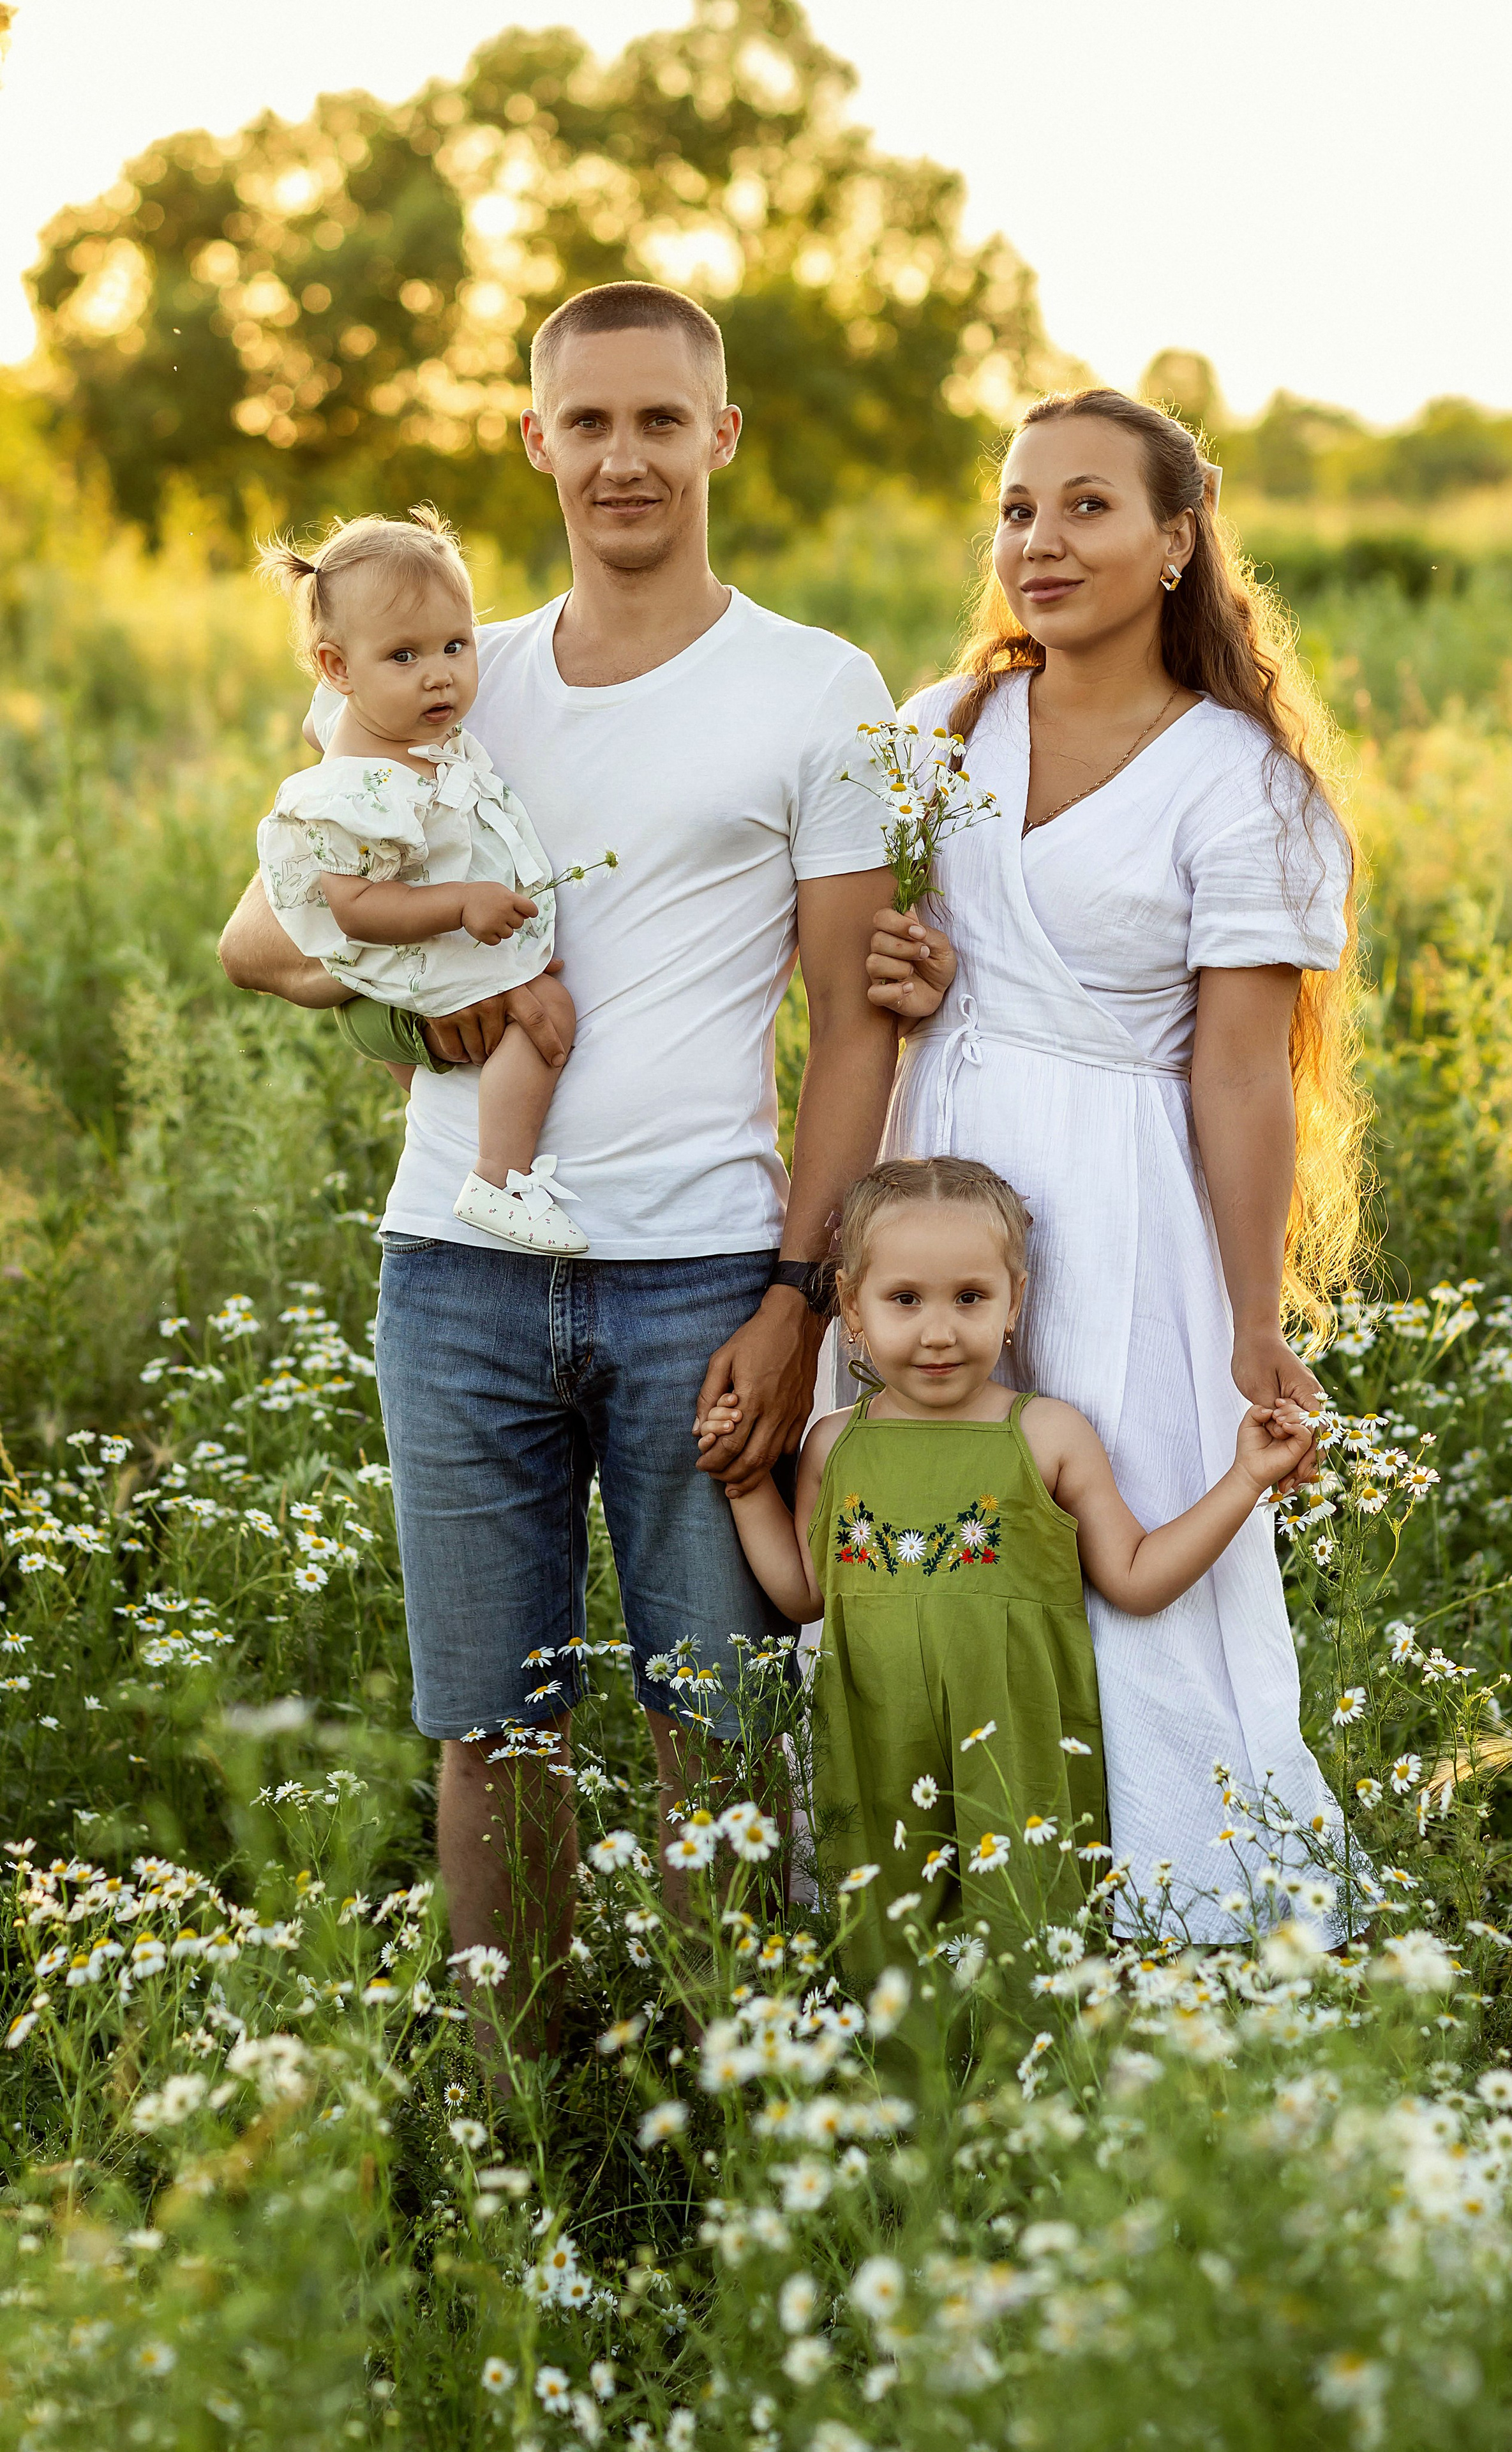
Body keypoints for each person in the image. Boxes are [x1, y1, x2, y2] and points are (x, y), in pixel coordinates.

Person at [218, 282, 900, 2047]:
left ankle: (735, 2100)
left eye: (659, 419)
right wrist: (414, 990)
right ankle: (518, 2112)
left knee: (716, 1719)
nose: (623, 457)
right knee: (488, 1723)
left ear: (719, 435)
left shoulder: (816, 686)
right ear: (535, 440)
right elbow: (269, 933)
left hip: (704, 1279)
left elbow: (855, 1021)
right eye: (586, 421)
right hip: (456, 1271)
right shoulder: (449, 672)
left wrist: (801, 1298)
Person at [862, 389, 1370, 1943]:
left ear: (1174, 541)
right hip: (937, 1175)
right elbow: (885, 963)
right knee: (928, 1523)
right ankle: (932, 1897)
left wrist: (1250, 1318)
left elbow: (1239, 1072)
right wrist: (912, 973)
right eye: (1017, 508)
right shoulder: (939, 727)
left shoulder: (1239, 781)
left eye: (1087, 506)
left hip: (1121, 1199)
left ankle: (1173, 1913)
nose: (1041, 540)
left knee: (1118, 1531)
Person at [698, 1156, 1315, 1974]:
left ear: (1014, 1302)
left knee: (1026, 1956)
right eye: (905, 1299)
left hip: (1017, 1755)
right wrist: (746, 1489)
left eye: (970, 1297)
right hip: (873, 1748)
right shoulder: (834, 1441)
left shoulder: (1047, 1434)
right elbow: (804, 1594)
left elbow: (1136, 1578)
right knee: (887, 1961)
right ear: (851, 1306)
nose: (939, 1331)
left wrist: (1244, 1479)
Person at [255, 506, 592, 1256]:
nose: (440, 673)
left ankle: (460, 1138)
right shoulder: (358, 787)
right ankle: (499, 1178)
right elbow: (355, 907)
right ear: (338, 669)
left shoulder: (390, 725)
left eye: (455, 645)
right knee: (546, 1014)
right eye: (403, 656)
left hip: (409, 957)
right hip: (392, 952)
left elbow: (326, 721)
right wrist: (462, 902)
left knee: (491, 1043)